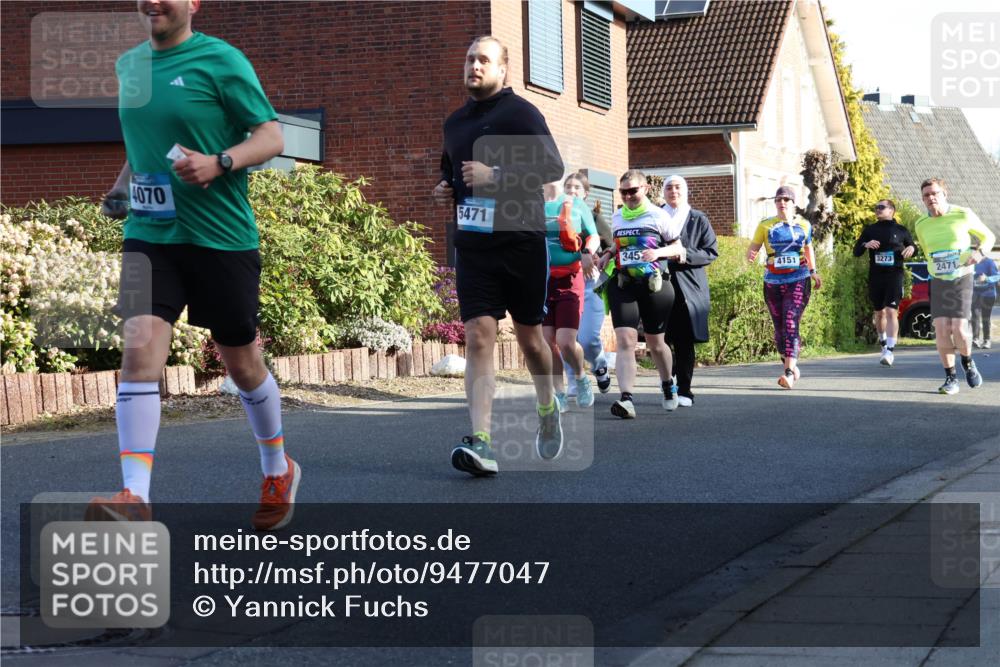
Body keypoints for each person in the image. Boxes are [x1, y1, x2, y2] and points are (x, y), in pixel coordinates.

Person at [87, 0, 294, 530]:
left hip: (219, 237)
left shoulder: (221, 61)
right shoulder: (129, 65)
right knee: (139, 349)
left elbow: (271, 135)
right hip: (150, 233)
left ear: (193, 3)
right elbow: (144, 146)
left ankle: (277, 468)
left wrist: (221, 161)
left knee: (242, 363)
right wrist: (120, 188)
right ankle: (134, 495)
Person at [433, 36, 565, 474]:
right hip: (474, 246)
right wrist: (446, 188)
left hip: (521, 242)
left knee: (530, 340)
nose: (474, 65)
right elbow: (451, 173)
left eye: (484, 60)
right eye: (470, 58)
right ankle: (482, 440)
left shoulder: (521, 114)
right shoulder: (454, 123)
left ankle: (547, 406)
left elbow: (552, 168)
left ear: (503, 70)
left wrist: (498, 173)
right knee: (478, 336)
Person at [596, 170, 685, 419]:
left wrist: (658, 253)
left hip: (654, 285)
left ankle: (668, 383)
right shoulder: (617, 217)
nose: (627, 196)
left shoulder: (658, 215)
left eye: (632, 191)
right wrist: (607, 254)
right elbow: (618, 244)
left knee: (656, 344)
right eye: (623, 192)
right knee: (625, 340)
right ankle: (626, 399)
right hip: (624, 284)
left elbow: (679, 248)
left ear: (644, 189)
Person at [914, 178, 995, 394]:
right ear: (923, 200)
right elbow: (927, 249)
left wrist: (978, 254)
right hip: (938, 279)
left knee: (958, 328)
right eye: (926, 195)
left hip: (961, 276)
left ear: (944, 194)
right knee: (941, 329)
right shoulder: (920, 224)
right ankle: (950, 378)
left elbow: (989, 236)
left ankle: (967, 362)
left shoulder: (963, 214)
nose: (931, 198)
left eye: (935, 193)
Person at [747, 185, 821, 389]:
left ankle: (788, 372)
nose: (782, 203)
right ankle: (790, 362)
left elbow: (808, 248)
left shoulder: (803, 224)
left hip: (798, 278)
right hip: (772, 281)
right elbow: (753, 247)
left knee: (790, 320)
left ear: (793, 203)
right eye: (779, 200)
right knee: (779, 327)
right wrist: (751, 255)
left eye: (786, 200)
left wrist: (813, 272)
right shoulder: (765, 225)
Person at [658, 176, 718, 407]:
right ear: (663, 192)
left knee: (683, 340)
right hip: (658, 284)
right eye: (669, 187)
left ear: (686, 191)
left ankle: (685, 389)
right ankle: (668, 381)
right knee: (661, 338)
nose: (673, 191)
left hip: (688, 286)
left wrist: (683, 254)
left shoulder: (698, 219)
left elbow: (710, 252)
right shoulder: (654, 216)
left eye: (678, 187)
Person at [542, 182, 600, 411]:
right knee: (547, 342)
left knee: (566, 342)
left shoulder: (575, 204)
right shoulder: (530, 205)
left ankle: (581, 376)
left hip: (569, 280)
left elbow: (593, 236)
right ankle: (559, 393)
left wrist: (587, 252)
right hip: (542, 282)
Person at [561, 172, 613, 401]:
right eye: (568, 187)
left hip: (592, 284)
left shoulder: (595, 218)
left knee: (588, 337)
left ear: (585, 194)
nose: (572, 192)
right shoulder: (556, 216)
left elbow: (613, 248)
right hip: (564, 284)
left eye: (576, 188)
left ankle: (599, 362)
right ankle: (573, 381)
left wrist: (595, 260)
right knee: (566, 337)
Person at [852, 199, 915, 367]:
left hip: (895, 275)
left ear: (891, 210)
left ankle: (890, 351)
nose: (877, 210)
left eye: (881, 207)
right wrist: (866, 244)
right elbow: (856, 252)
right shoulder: (870, 230)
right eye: (876, 207)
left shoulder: (901, 230)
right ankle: (883, 344)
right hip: (876, 276)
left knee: (891, 311)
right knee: (879, 313)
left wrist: (912, 249)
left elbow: (912, 246)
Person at [972, 246, 999, 349]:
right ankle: (975, 339)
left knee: (985, 318)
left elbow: (997, 276)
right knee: (974, 316)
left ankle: (987, 340)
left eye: (974, 253)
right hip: (975, 294)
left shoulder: (989, 262)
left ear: (980, 252)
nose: (972, 255)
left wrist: (986, 278)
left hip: (988, 294)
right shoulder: (971, 263)